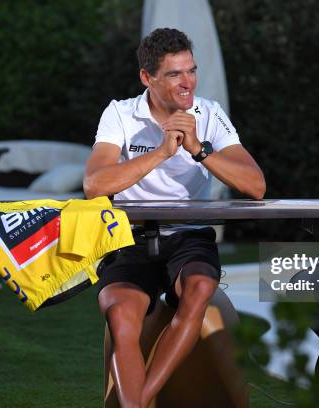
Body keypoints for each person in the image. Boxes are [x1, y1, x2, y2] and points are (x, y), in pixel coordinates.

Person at [83, 28, 265, 407]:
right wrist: (162, 152)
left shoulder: (209, 113)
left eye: (192, 71)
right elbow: (95, 184)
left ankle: (140, 400)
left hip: (189, 237)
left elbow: (256, 186)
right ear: (147, 78)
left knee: (198, 288)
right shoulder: (120, 113)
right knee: (120, 315)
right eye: (174, 74)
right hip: (130, 239)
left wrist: (199, 149)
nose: (188, 83)